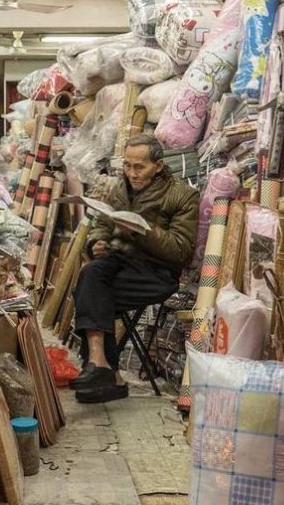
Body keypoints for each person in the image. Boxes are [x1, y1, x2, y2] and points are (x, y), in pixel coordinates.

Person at [71, 133, 199, 404]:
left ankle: (106, 371)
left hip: (156, 272)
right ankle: (101, 365)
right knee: (91, 274)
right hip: (120, 262)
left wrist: (143, 231)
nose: (132, 173)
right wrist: (96, 243)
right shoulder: (120, 188)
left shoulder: (182, 195)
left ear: (158, 165)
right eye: (127, 166)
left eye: (139, 167)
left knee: (91, 292)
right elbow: (102, 224)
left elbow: (181, 251)